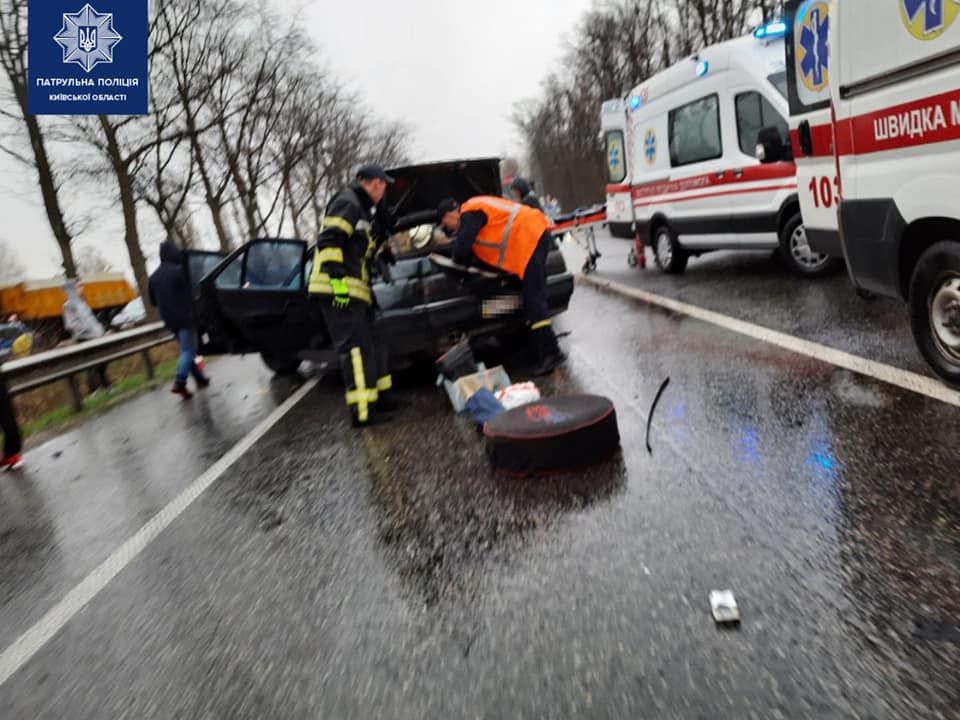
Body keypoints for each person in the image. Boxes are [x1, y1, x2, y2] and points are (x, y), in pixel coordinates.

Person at [308, 164, 398, 426]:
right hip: (339, 290)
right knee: (356, 350)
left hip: (356, 289)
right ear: (362, 182)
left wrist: (382, 251)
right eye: (376, 184)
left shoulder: (365, 210)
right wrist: (338, 288)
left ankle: (380, 399)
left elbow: (359, 248)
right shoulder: (347, 202)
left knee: (374, 343)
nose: (380, 189)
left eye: (383, 185)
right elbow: (329, 242)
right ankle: (362, 412)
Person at [438, 196, 566, 376]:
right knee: (531, 300)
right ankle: (542, 349)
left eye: (445, 224)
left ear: (450, 214)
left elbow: (461, 250)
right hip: (528, 242)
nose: (448, 229)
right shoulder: (474, 217)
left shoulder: (470, 211)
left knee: (534, 302)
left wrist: (457, 265)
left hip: (530, 238)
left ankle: (551, 354)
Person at [148, 240, 210, 400]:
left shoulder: (153, 277)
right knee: (189, 350)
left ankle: (199, 379)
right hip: (185, 317)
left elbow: (153, 301)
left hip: (169, 320)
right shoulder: (180, 271)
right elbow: (194, 290)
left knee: (187, 350)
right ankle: (179, 381)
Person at [62, 279, 111, 393]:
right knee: (91, 364)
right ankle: (93, 390)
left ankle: (106, 385)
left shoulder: (82, 302)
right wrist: (87, 328)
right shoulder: (68, 305)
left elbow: (90, 318)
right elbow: (70, 324)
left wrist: (98, 327)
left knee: (103, 360)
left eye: (81, 286)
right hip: (84, 338)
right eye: (78, 287)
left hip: (95, 335)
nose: (81, 288)